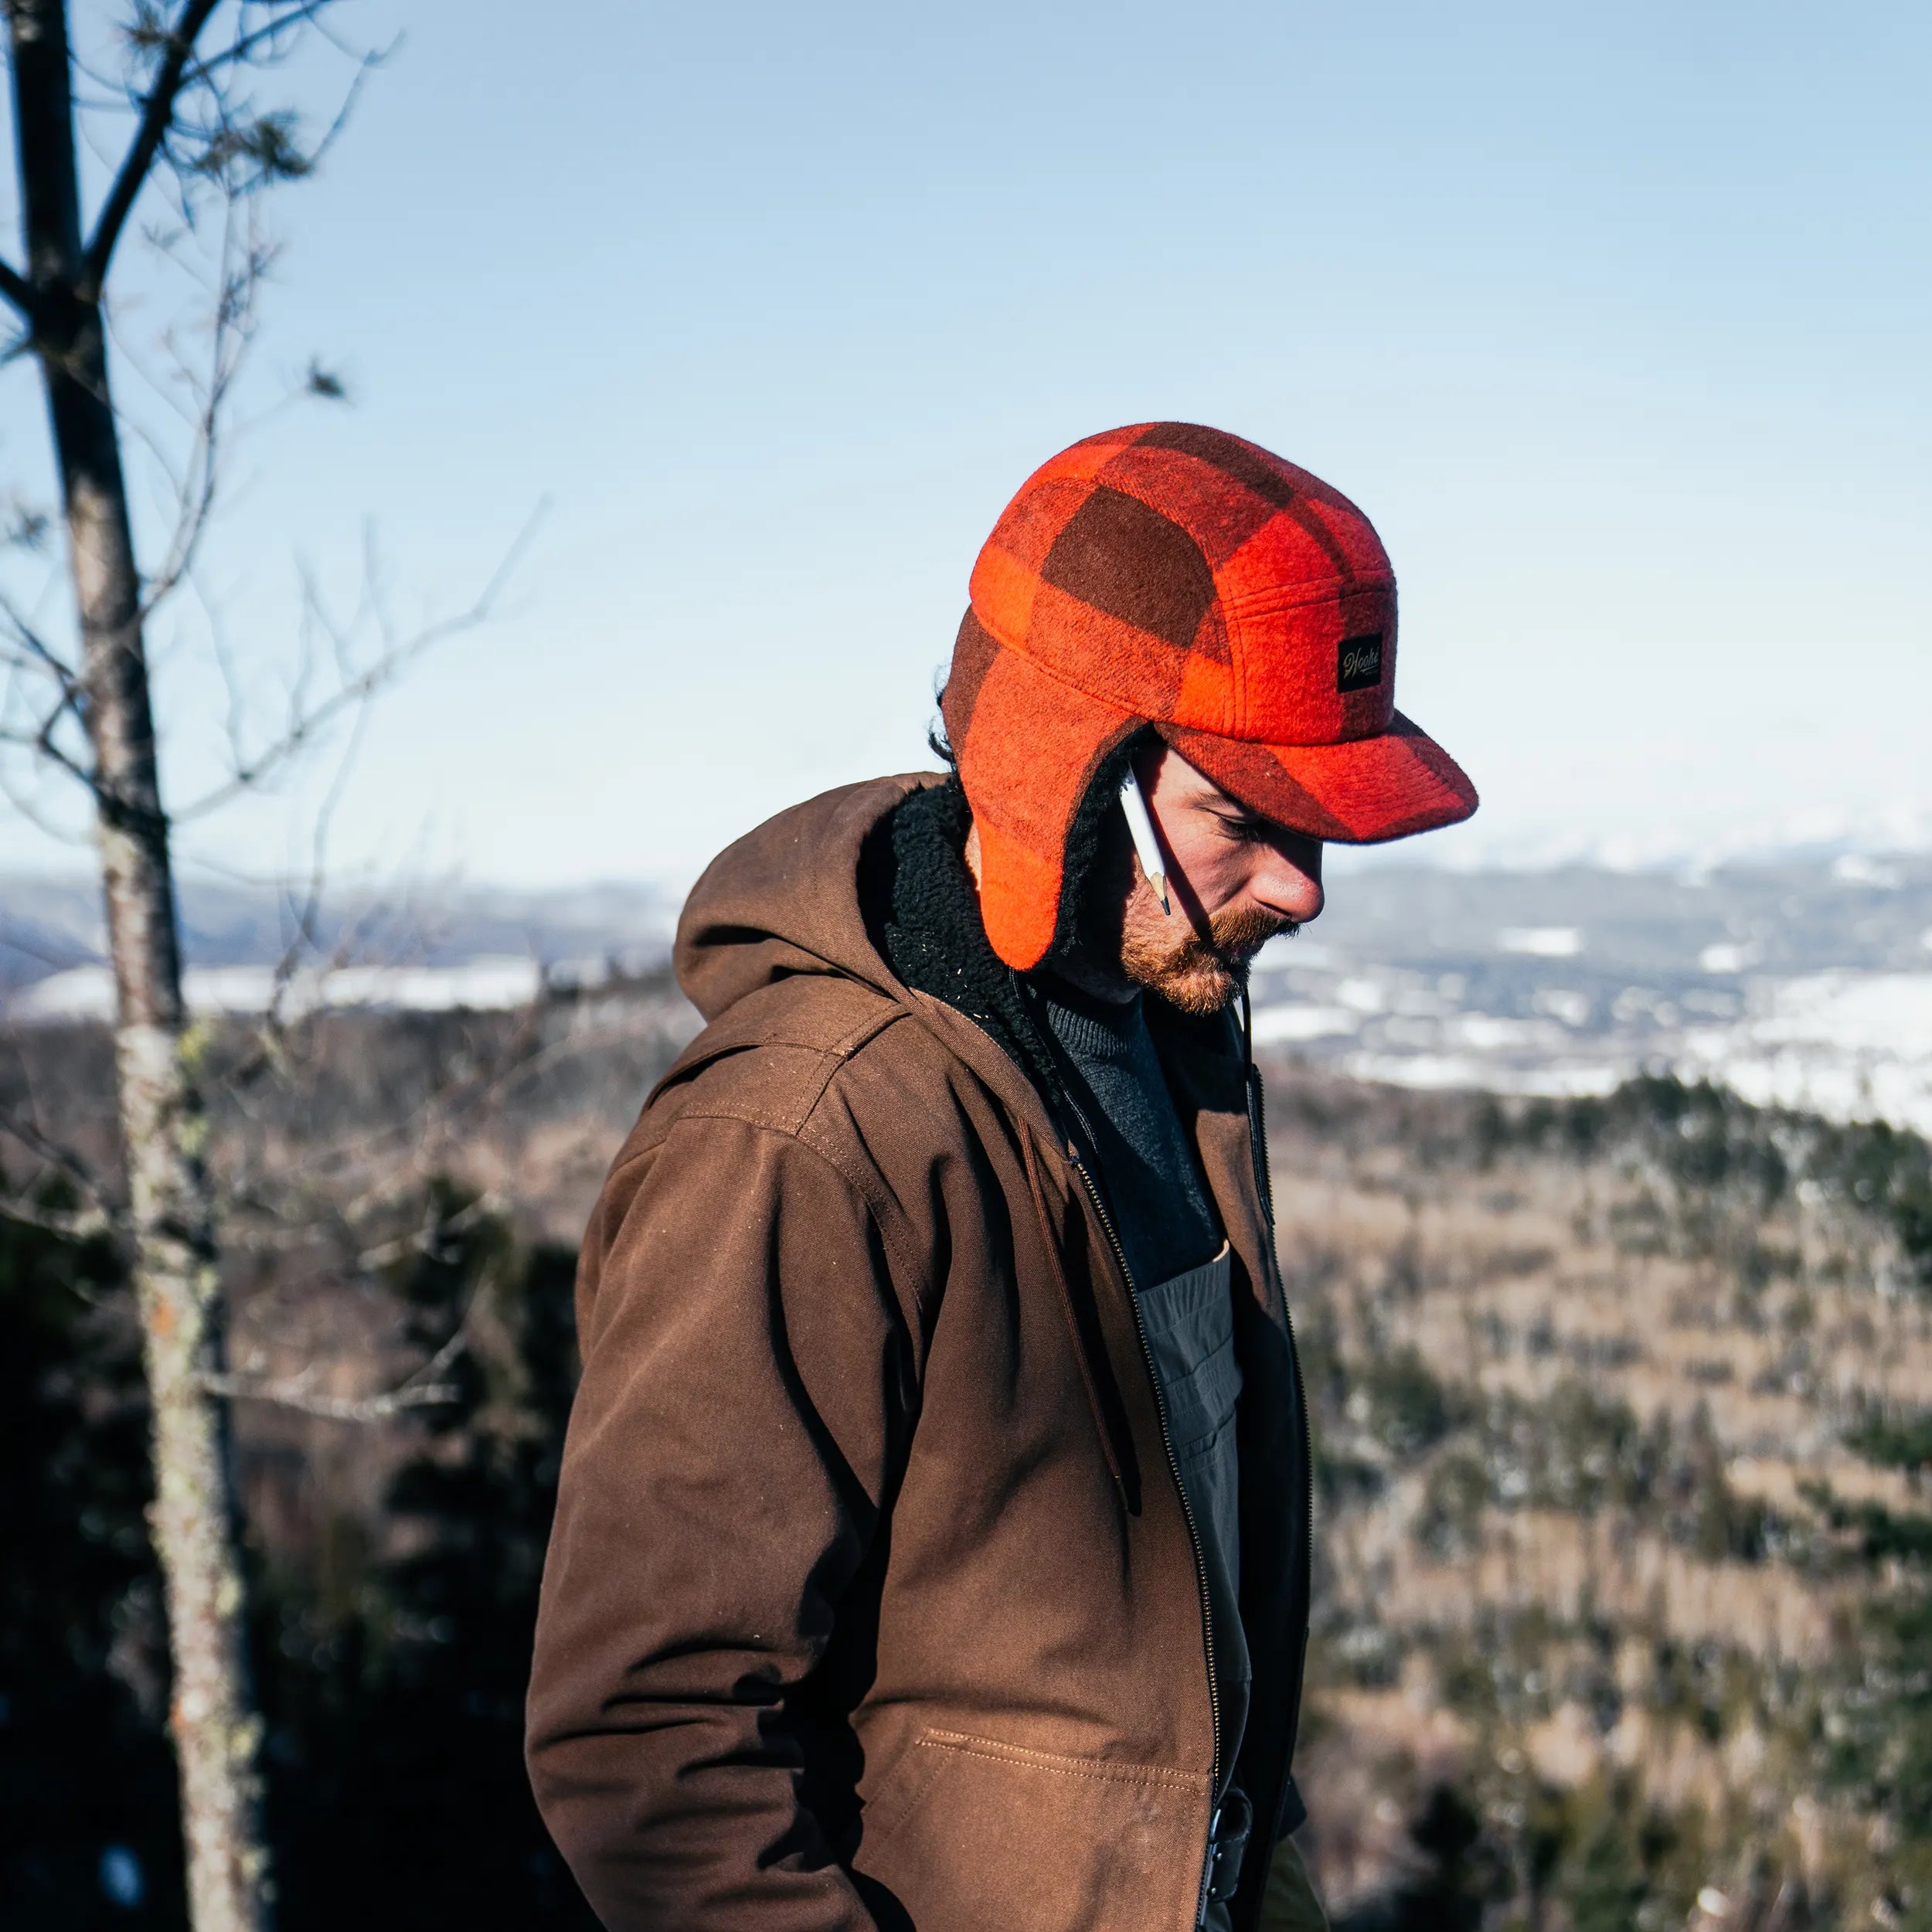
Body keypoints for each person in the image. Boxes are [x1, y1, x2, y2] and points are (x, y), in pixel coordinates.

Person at [526, 422, 1478, 1931]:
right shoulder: (804, 1136)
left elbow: (1187, 1630)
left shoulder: (1163, 1049)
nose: (1301, 886)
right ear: (1063, 765)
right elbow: (649, 1742)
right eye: (1245, 821)